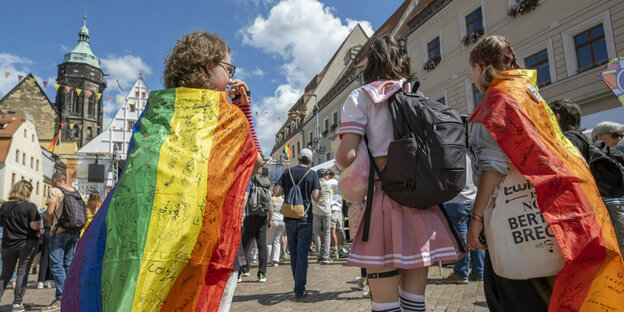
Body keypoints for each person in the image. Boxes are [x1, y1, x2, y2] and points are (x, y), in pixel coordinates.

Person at [63, 31, 262, 312]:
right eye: (228, 69)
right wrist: (243, 109)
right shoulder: (227, 119)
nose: (231, 78)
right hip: (200, 246)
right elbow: (254, 164)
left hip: (137, 241)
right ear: (209, 66)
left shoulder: (154, 113)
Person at [465, 35, 623, 311]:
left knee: (513, 297)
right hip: (555, 213)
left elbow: (493, 166)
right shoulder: (530, 95)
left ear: (480, 67)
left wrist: (476, 218)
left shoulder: (495, 102)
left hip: (514, 221)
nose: (473, 79)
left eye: (472, 72)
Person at [336, 35, 465, 312]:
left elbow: (345, 156)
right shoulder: (415, 96)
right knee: (414, 304)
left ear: (370, 63)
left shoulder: (360, 97)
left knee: (385, 306)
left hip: (383, 204)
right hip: (421, 203)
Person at [273, 148, 320, 299]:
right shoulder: (312, 174)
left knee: (293, 253)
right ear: (310, 161)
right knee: (302, 254)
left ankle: (298, 285)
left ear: (298, 158)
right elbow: (316, 197)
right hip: (305, 217)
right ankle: (299, 288)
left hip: (289, 218)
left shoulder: (288, 172)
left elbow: (277, 192)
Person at [43, 171, 82, 312]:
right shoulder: (76, 192)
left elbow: (49, 211)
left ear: (54, 180)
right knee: (68, 264)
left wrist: (48, 221)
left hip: (59, 232)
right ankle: (70, 294)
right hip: (74, 232)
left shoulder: (55, 191)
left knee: (56, 264)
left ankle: (61, 297)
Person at [0, 180, 41, 311]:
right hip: (26, 243)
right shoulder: (30, 206)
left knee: (5, 274)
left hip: (8, 243)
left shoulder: (5, 206)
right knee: (22, 272)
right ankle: (17, 303)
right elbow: (34, 226)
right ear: (28, 192)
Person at [442, 154, 483, 284]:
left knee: (460, 239)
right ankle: (479, 271)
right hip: (474, 200)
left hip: (457, 201)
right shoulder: (473, 154)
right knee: (475, 236)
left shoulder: (452, 155)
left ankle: (461, 273)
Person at [591, 121, 624, 255]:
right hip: (612, 208)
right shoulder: (593, 155)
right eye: (615, 135)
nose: (620, 138)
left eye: (621, 135)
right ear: (599, 136)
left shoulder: (615, 154)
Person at [239, 167, 272, 283]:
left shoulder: (250, 181)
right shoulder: (266, 182)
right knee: (262, 245)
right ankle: (262, 274)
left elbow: (245, 197)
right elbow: (270, 203)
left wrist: (241, 212)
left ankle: (241, 272)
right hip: (263, 217)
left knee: (245, 245)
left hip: (251, 216)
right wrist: (270, 220)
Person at [312, 169, 332, 264]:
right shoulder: (328, 184)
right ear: (324, 175)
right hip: (326, 211)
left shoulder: (314, 184)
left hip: (316, 211)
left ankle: (319, 255)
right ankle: (326, 256)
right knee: (327, 233)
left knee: (317, 234)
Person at [327, 170, 347, 258]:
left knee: (332, 230)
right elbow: (342, 197)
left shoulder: (328, 183)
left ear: (328, 175)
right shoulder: (338, 183)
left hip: (332, 208)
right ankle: (341, 249)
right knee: (340, 230)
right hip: (339, 208)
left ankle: (335, 251)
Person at [266, 192, 285, 267]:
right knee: (277, 241)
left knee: (269, 242)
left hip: (273, 220)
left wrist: (269, 220)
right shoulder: (283, 199)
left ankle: (268, 260)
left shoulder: (272, 199)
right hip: (282, 221)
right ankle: (276, 260)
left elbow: (271, 210)